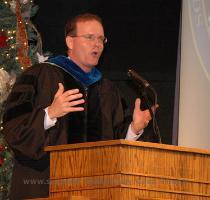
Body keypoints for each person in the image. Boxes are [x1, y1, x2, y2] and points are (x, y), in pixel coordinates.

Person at [2, 13, 155, 199]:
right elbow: (13, 128)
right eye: (89, 37)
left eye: (101, 39)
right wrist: (49, 114)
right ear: (70, 42)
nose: (97, 44)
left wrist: (133, 129)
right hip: (43, 188)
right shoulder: (38, 77)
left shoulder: (108, 90)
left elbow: (114, 148)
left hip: (95, 191)